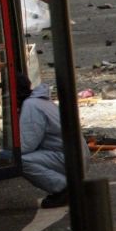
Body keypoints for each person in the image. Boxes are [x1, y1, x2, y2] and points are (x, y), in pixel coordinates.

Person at [16, 73, 90, 209]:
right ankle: (66, 186)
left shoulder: (31, 106)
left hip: (68, 158)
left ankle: (63, 188)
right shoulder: (40, 101)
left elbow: (26, 145)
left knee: (19, 161)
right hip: (74, 156)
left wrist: (3, 152)